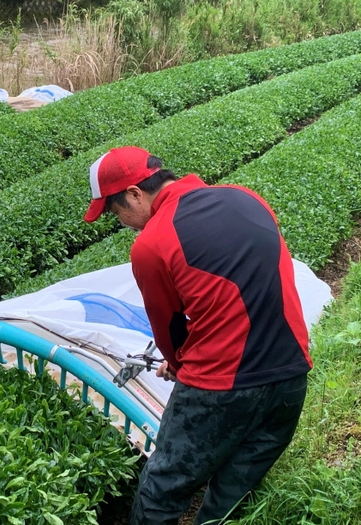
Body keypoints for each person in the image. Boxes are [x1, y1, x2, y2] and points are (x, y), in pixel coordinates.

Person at [83, 146, 312, 525]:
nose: (120, 221)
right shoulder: (246, 197)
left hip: (221, 386)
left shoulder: (151, 244)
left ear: (135, 193)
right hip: (291, 373)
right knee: (236, 487)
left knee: (164, 486)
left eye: (114, 210)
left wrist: (178, 364)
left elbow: (169, 327)